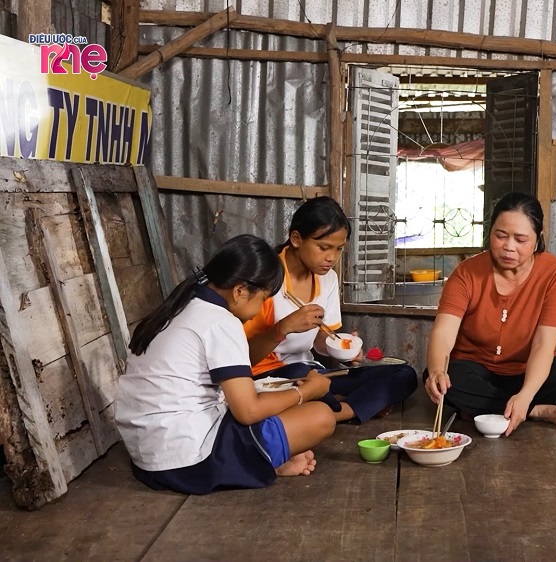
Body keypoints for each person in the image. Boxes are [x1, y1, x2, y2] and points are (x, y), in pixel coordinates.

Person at [115, 235, 336, 495]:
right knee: (320, 417)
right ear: (240, 291)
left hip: (149, 456)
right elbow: (248, 412)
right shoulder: (221, 321)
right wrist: (305, 392)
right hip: (187, 463)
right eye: (263, 298)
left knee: (275, 399)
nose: (262, 307)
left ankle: (265, 460)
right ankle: (259, 462)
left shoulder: (182, 304)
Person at [424, 191, 556, 436]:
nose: (508, 247)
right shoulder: (467, 272)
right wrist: (438, 370)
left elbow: (544, 345)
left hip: (525, 374)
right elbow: (443, 331)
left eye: (520, 240)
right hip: (475, 372)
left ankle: (496, 406)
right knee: (439, 377)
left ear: (538, 239)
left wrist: (525, 394)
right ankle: (534, 411)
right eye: (500, 236)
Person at [243, 196, 417, 423]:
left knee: (404, 374)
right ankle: (348, 406)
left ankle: (338, 409)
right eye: (323, 247)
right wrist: (283, 328)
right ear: (296, 239)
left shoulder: (328, 279)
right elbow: (243, 357)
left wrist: (341, 347)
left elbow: (321, 339)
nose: (331, 258)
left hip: (311, 372)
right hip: (268, 378)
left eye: (339, 249)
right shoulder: (266, 278)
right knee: (300, 376)